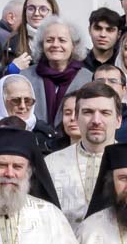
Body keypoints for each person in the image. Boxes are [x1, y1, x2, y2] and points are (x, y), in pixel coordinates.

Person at [45, 83, 122, 225]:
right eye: (88, 112)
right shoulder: (51, 164)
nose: (96, 121)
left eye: (105, 113)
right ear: (76, 118)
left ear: (118, 121)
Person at [26, 17, 91, 128]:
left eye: (62, 40)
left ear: (73, 45)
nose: (55, 45)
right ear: (42, 45)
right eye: (49, 40)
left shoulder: (88, 79)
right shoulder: (26, 77)